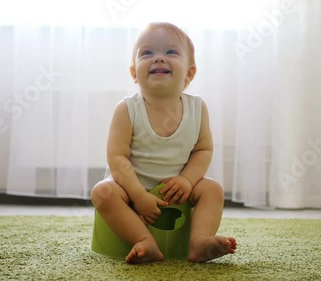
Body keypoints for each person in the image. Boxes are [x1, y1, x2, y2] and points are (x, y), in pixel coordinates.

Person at [91, 22, 237, 264]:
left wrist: (188, 180)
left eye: (170, 52)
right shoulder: (127, 109)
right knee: (102, 192)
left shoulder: (197, 108)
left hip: (178, 190)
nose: (158, 58)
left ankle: (199, 240)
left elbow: (203, 149)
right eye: (147, 53)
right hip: (130, 189)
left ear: (189, 73)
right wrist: (137, 195)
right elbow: (117, 158)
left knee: (212, 189)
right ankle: (144, 240)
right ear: (134, 73)